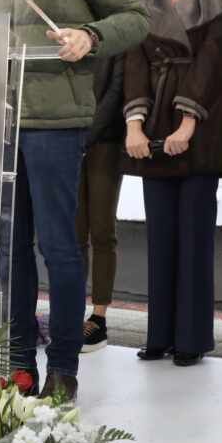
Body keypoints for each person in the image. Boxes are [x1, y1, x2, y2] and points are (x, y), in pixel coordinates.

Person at [0, 0, 148, 400]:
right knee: (10, 250)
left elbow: (134, 18)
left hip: (54, 119)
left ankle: (64, 366)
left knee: (58, 247)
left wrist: (88, 37)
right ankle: (20, 362)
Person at [123, 0, 222, 367]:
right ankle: (159, 334)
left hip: (201, 119)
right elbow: (133, 62)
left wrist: (188, 123)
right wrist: (134, 123)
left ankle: (190, 339)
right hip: (152, 120)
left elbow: (212, 60)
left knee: (193, 235)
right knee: (160, 235)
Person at [79, 52, 125, 351]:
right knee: (74, 229)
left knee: (102, 228)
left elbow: (117, 89)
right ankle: (71, 310)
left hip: (107, 140)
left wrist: (88, 132)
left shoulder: (118, 34)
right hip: (68, 135)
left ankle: (99, 316)